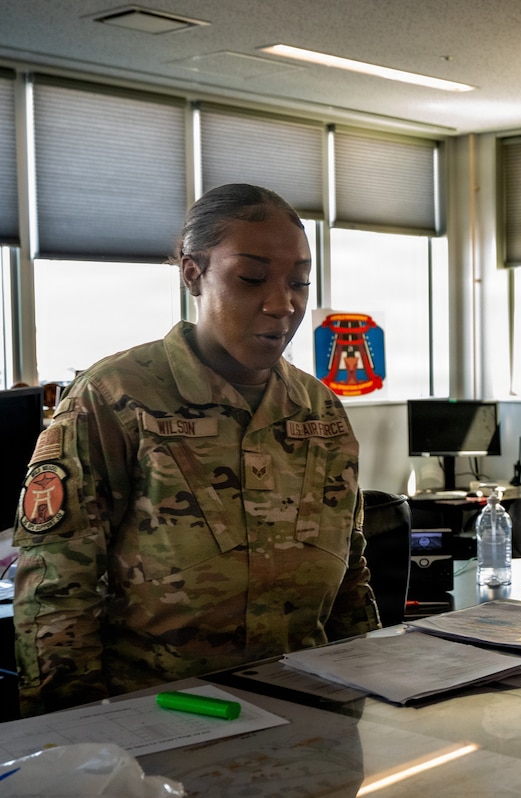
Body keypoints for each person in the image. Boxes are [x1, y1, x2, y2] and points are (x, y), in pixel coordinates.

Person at [12, 183, 381, 716]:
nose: (284, 304)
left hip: (311, 716)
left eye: (299, 282)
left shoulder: (318, 411)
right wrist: (77, 739)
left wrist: (372, 697)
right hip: (159, 726)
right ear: (192, 273)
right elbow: (56, 590)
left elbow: (350, 579)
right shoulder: (116, 398)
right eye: (252, 278)